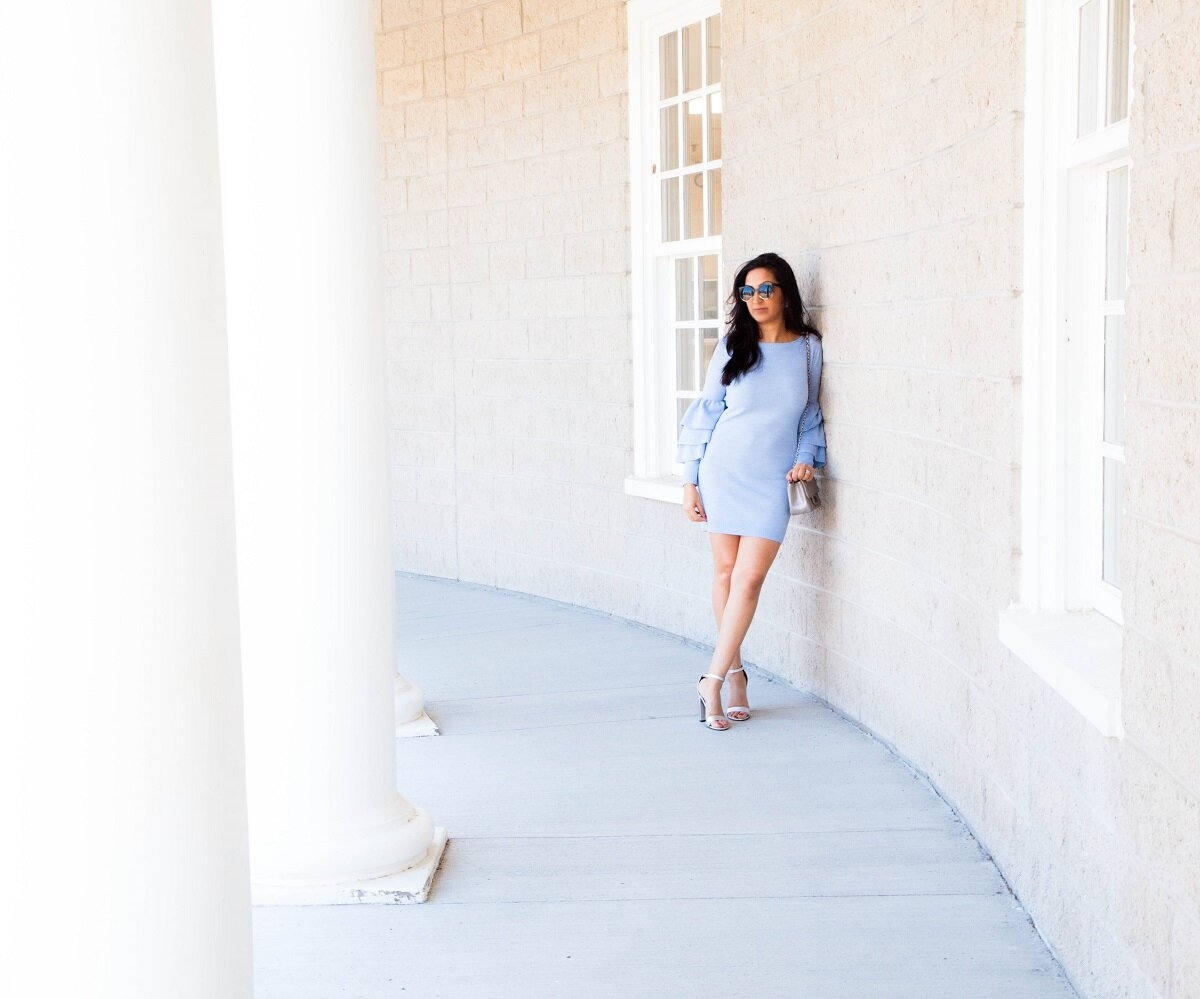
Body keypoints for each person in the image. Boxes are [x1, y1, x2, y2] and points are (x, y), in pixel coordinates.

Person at [676, 252, 827, 731]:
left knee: (749, 580)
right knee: (724, 573)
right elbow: (706, 410)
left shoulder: (808, 350)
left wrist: (806, 457)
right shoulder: (732, 346)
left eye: (766, 289)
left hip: (771, 480)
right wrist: (689, 480)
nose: (756, 299)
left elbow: (809, 416)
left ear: (785, 294)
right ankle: (735, 673)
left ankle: (711, 678)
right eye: (747, 291)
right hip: (723, 471)